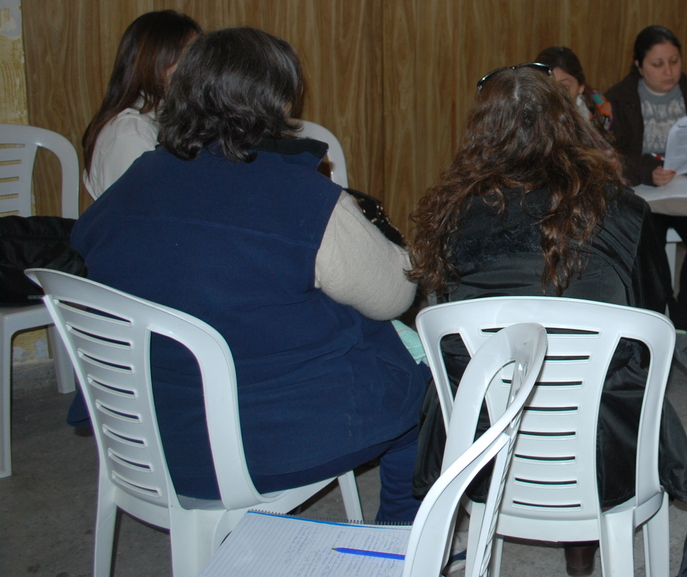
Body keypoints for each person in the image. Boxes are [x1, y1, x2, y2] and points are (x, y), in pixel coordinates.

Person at [71, 27, 427, 524]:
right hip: (261, 444)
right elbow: (394, 295)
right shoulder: (300, 196)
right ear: (277, 103)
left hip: (141, 435)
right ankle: (400, 534)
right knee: (423, 388)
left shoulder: (134, 182)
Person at [409, 64, 687, 577]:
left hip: (483, 444)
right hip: (603, 448)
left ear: (481, 132)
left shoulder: (450, 215)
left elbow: (450, 330)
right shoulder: (625, 212)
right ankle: (581, 553)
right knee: (611, 367)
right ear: (568, 123)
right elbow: (653, 321)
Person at [605, 26, 687, 380]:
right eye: (657, 64)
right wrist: (647, 169)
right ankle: (664, 322)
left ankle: (682, 327)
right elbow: (608, 154)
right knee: (646, 242)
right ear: (639, 66)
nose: (669, 71)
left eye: (674, 61)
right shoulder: (618, 98)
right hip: (645, 193)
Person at [82, 10, 202, 199]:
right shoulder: (130, 134)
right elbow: (138, 211)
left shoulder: (167, 114)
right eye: (189, 54)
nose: (199, 65)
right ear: (153, 60)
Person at [536, 45, 613, 137]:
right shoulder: (528, 114)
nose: (556, 94)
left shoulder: (600, 112)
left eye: (564, 88)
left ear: (581, 86)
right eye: (548, 86)